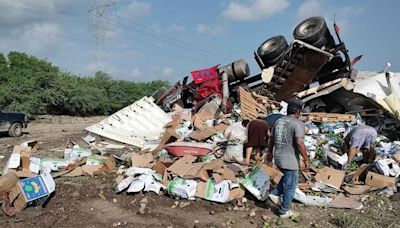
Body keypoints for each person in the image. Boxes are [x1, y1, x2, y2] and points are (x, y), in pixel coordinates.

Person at [266, 97, 310, 219]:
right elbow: (299, 142)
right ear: (298, 112)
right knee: (290, 185)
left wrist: (269, 152)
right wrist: (306, 159)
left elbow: (271, 138)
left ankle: (274, 194)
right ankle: (284, 211)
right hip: (289, 160)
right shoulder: (298, 123)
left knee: (286, 179)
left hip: (278, 156)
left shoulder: (279, 121)